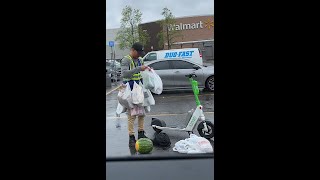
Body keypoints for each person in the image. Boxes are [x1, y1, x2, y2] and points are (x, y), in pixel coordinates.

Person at [121, 42, 151, 147]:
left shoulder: (140, 59)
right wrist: (139, 68)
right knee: (131, 114)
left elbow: (141, 75)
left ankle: (141, 133)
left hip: (139, 88)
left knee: (142, 112)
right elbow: (124, 74)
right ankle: (131, 137)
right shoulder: (126, 59)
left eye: (140, 53)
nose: (139, 55)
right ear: (132, 50)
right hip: (130, 89)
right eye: (138, 52)